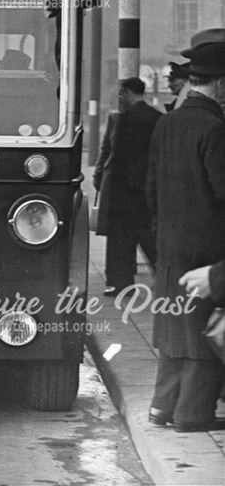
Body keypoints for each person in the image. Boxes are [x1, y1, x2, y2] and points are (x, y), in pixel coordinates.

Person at [146, 41, 225, 432]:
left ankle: (162, 407)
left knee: (174, 326)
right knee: (203, 330)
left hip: (170, 245)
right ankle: (193, 413)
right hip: (208, 249)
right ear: (221, 85)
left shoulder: (167, 123)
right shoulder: (215, 128)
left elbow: (151, 189)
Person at [93, 78, 161, 295]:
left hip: (122, 189)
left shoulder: (121, 120)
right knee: (147, 237)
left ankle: (120, 283)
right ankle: (164, 277)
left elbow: (110, 153)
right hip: (142, 189)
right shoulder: (157, 118)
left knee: (120, 240)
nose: (120, 99)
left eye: (121, 94)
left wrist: (99, 176)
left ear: (129, 92)